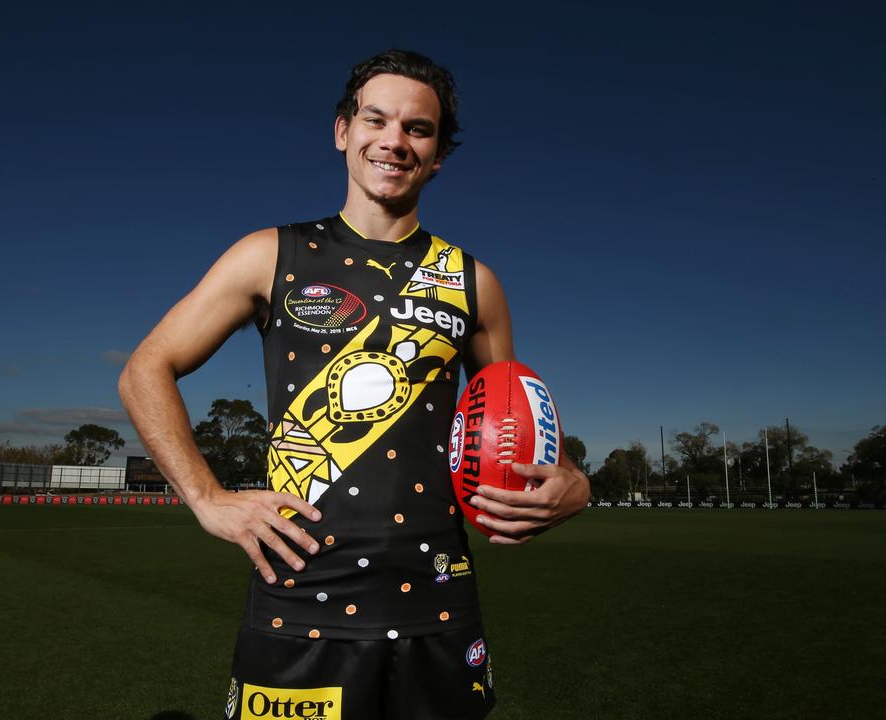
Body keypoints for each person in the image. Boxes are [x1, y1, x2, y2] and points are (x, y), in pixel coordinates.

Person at [118, 49, 590, 720]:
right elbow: (145, 369)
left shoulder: (473, 282)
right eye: (376, 119)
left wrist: (574, 481)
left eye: (418, 129)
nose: (394, 140)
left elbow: (511, 424)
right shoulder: (269, 254)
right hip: (299, 602)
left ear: (438, 155)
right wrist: (206, 497)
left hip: (440, 605)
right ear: (344, 130)